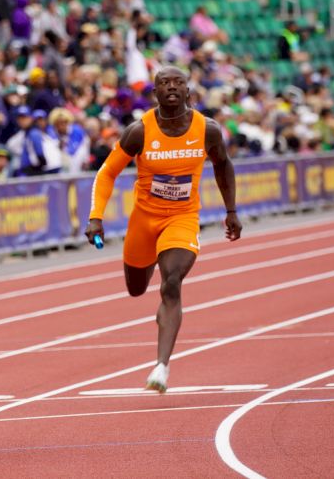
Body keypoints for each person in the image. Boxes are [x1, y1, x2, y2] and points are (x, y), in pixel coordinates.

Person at [85, 66, 241, 394]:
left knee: (171, 283)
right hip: (144, 221)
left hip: (182, 218)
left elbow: (223, 164)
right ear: (155, 93)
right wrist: (95, 217)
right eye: (164, 83)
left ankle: (161, 367)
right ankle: (154, 257)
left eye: (178, 82)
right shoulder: (138, 131)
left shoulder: (207, 130)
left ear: (188, 90)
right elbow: (107, 172)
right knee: (136, 288)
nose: (171, 87)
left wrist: (231, 211)